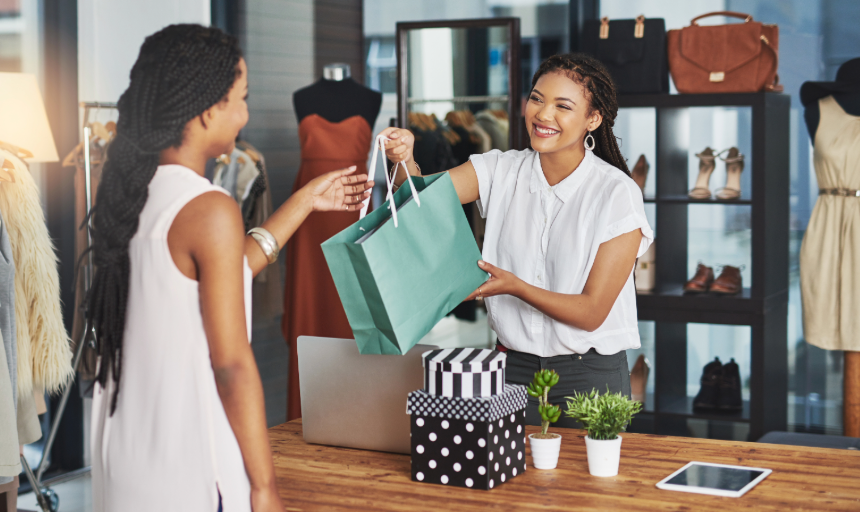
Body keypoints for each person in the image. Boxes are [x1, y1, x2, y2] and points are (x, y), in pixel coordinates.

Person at [86, 25, 372, 512]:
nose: (245, 113)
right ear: (206, 108)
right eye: (241, 98)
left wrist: (303, 202)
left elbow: (226, 272)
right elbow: (232, 366)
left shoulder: (129, 194)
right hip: (192, 470)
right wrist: (264, 486)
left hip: (126, 461)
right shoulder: (208, 207)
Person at [382, 53, 652, 428]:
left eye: (563, 106)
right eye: (537, 99)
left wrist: (515, 288)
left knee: (589, 487)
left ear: (593, 118)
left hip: (589, 375)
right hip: (510, 370)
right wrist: (403, 158)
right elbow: (418, 200)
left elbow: (592, 313)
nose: (543, 115)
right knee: (507, 484)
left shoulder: (616, 193)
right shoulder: (498, 169)